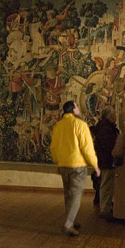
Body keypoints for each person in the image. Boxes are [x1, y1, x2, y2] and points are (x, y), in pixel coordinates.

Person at [50, 101, 100, 237]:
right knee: (76, 195)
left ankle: (72, 220)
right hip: (78, 165)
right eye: (77, 106)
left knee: (68, 194)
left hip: (63, 165)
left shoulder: (58, 126)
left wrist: (58, 162)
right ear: (73, 110)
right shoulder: (80, 125)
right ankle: (68, 224)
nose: (79, 108)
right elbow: (87, 148)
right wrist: (95, 165)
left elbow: (53, 147)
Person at [90, 106, 120, 221]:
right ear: (110, 116)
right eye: (114, 114)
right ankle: (104, 209)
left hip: (105, 160)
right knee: (106, 184)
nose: (116, 116)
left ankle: (105, 206)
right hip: (107, 160)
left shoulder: (105, 127)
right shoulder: (106, 128)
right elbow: (109, 145)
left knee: (107, 184)